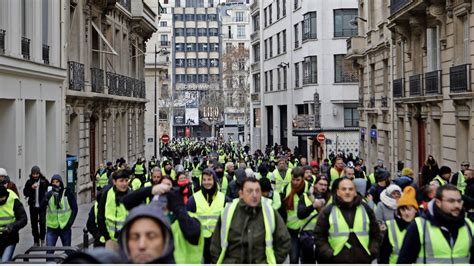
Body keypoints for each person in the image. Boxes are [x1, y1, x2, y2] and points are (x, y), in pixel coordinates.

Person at [210, 177, 291, 263]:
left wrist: (272, 261)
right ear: (241, 194)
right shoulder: (228, 212)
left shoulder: (269, 212)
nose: (254, 195)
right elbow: (216, 244)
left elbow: (284, 241)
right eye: (250, 191)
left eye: (257, 191)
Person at [398, 185, 474, 263]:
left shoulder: (469, 225)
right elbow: (404, 261)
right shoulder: (419, 226)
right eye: (451, 201)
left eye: (459, 201)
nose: (457, 205)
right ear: (438, 202)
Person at [314, 178, 381, 263]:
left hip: (363, 260)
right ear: (338, 192)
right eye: (344, 189)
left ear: (355, 192)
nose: (347, 192)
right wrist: (329, 254)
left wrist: (372, 252)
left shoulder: (366, 209)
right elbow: (319, 237)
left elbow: (376, 234)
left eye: (350, 189)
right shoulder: (328, 211)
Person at [186, 168, 227, 263]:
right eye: (204, 180)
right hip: (200, 243)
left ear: (214, 180)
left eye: (209, 179)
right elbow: (187, 222)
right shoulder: (193, 199)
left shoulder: (224, 199)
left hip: (219, 242)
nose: (206, 182)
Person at [378, 186, 419, 264]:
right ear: (399, 211)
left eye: (409, 209)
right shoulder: (391, 227)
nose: (406, 213)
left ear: (415, 210)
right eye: (403, 209)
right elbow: (383, 256)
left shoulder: (422, 226)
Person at [280, 167, 308, 264]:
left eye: (298, 180)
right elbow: (282, 209)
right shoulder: (286, 188)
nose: (295, 182)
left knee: (307, 260)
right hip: (291, 230)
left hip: (307, 229)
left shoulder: (310, 188)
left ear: (303, 178)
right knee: (293, 259)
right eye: (293, 179)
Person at [97, 169, 131, 250]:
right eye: (121, 181)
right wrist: (107, 238)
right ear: (114, 182)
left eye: (126, 181)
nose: (124, 184)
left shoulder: (132, 194)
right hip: (111, 241)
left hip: (128, 240)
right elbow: (100, 217)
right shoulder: (107, 194)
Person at [43, 174, 78, 250]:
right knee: (49, 252)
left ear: (61, 183)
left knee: (67, 251)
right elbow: (41, 207)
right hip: (52, 227)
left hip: (65, 226)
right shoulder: (49, 194)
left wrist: (69, 223)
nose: (55, 184)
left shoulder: (67, 193)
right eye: (53, 182)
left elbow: (75, 209)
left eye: (57, 182)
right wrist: (46, 197)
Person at [23, 166, 49, 246]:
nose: (35, 175)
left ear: (39, 173)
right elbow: (25, 193)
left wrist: (46, 200)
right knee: (34, 224)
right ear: (31, 174)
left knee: (42, 222)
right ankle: (36, 241)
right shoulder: (29, 182)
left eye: (37, 174)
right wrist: (31, 188)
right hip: (33, 206)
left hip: (42, 206)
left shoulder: (44, 181)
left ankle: (42, 239)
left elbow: (49, 190)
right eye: (34, 174)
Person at [0, 186, 27, 262]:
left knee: (4, 261)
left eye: (2, 198)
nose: (1, 200)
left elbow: (23, 219)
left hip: (10, 237)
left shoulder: (13, 200)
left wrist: (12, 226)